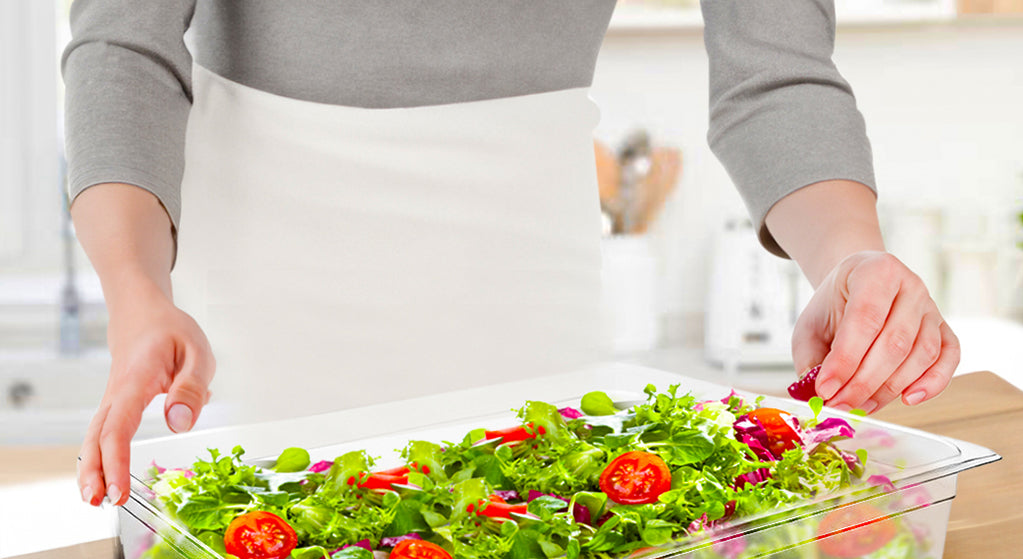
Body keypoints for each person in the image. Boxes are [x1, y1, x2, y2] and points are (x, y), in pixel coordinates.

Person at [65, 0, 959, 509]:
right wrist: (139, 292)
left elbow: (773, 73)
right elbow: (123, 47)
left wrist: (849, 256)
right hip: (254, 293)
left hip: (531, 286)